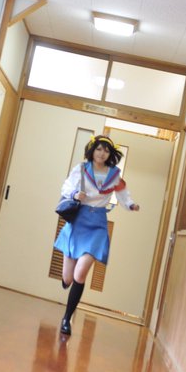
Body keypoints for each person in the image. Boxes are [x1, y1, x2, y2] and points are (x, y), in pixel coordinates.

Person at [54, 134, 140, 336]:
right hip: (78, 221)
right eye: (99, 149)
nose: (102, 153)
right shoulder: (81, 169)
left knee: (80, 273)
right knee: (68, 278)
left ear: (111, 154)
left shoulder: (114, 175)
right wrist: (75, 194)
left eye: (106, 150)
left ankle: (67, 319)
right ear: (92, 150)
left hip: (98, 225)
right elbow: (66, 187)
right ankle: (67, 276)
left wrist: (131, 205)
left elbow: (123, 194)